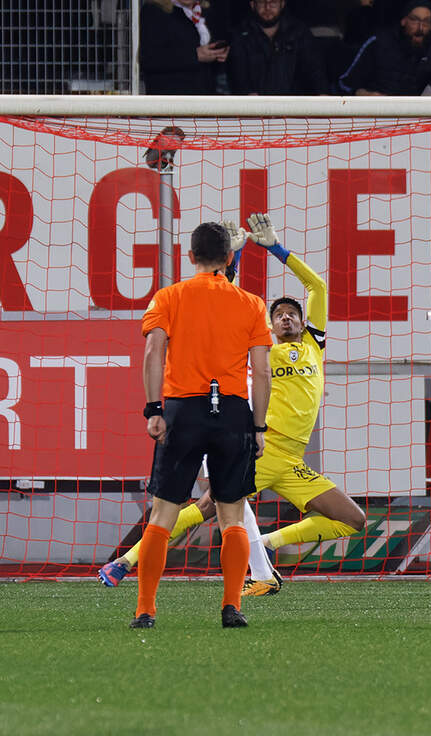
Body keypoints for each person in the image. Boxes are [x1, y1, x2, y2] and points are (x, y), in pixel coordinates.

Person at [104, 214, 366, 596]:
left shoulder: (313, 344)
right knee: (208, 507)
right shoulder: (262, 347)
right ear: (270, 326)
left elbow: (317, 285)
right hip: (264, 446)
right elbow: (222, 297)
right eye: (279, 314)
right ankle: (126, 561)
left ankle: (263, 553)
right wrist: (235, 257)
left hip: (293, 459)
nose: (287, 316)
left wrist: (277, 249)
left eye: (293, 312)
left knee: (351, 519)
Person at [131, 222, 273, 629]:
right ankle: (232, 606)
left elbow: (153, 352)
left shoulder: (170, 297)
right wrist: (259, 428)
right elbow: (261, 372)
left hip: (182, 409)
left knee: (162, 514)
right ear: (230, 258)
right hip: (231, 413)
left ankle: (145, 609)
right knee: (233, 514)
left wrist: (154, 409)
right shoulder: (251, 303)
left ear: (190, 256)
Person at [337, 0, 431, 95]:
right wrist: (363, 94)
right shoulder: (378, 42)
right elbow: (344, 84)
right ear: (403, 21)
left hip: (412, 118)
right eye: (415, 20)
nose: (420, 28)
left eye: (426, 22)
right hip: (375, 115)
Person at [227, 0, 329, 95]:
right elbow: (236, 73)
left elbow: (315, 69)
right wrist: (247, 94)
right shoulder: (240, 34)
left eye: (273, 2)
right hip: (254, 107)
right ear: (253, 5)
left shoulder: (299, 32)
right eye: (261, 1)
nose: (267, 7)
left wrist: (322, 94)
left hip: (293, 107)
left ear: (282, 4)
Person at [140, 0, 230, 95]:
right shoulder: (155, 11)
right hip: (169, 100)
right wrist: (195, 55)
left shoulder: (205, 11)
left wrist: (218, 54)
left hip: (202, 98)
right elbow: (149, 59)